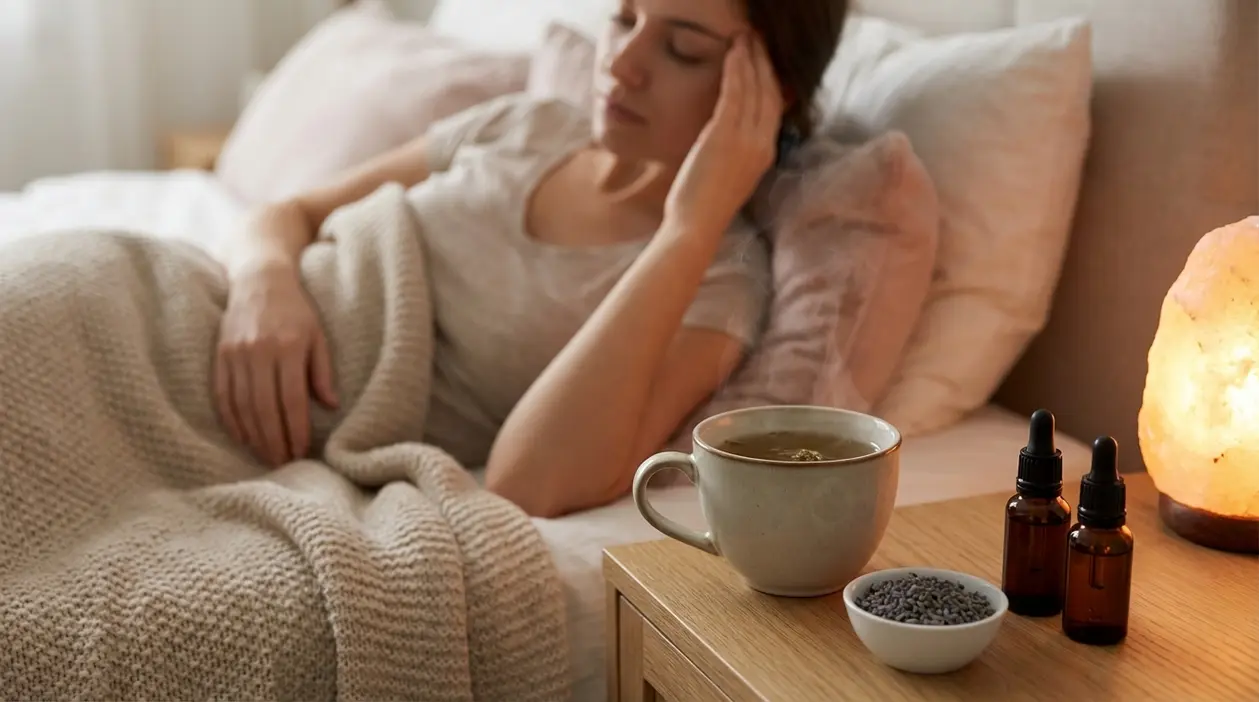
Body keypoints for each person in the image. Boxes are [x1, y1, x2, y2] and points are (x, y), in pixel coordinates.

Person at [213, 0, 849, 518]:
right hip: (207, 313)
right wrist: (265, 281)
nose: (622, 64)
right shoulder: (526, 123)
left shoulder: (714, 281)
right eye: (625, 18)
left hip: (241, 423)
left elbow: (528, 482)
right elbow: (285, 214)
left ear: (772, 90)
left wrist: (688, 227)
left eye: (683, 48)